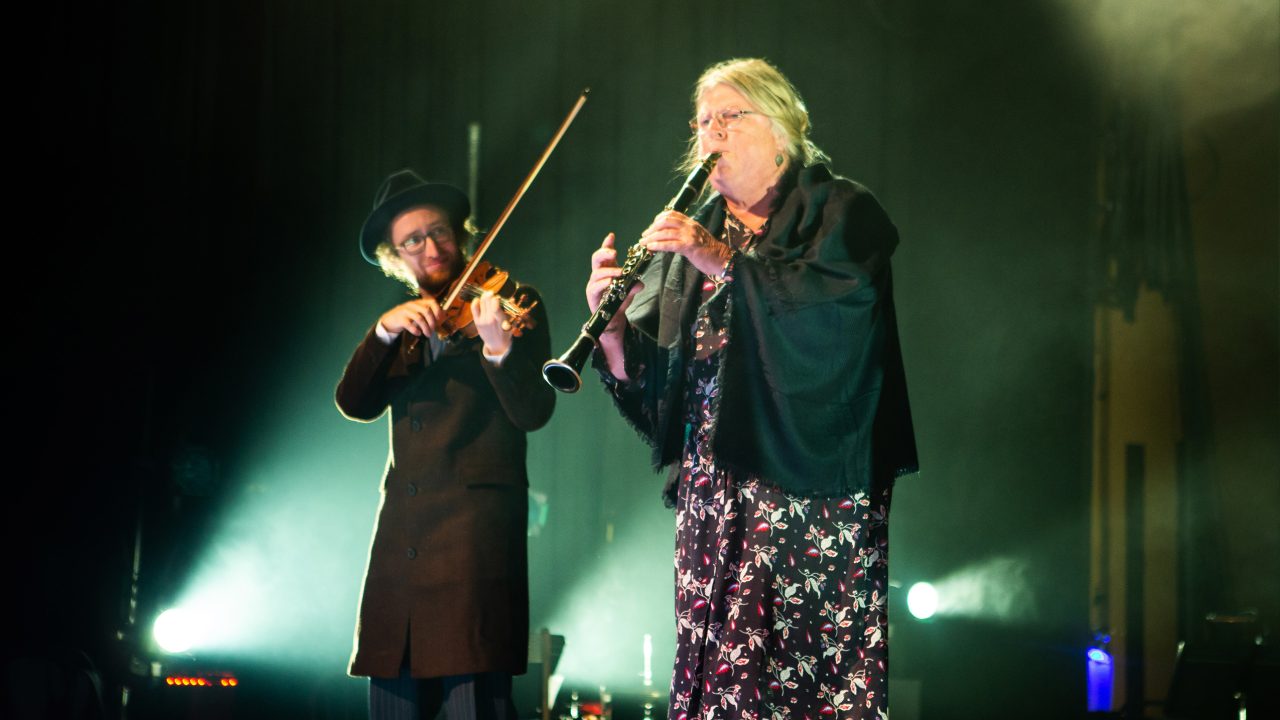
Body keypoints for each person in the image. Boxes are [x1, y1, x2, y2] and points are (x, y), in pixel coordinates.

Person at [585, 58, 918, 720]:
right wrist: (615, 333)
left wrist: (717, 257)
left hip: (812, 500)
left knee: (810, 689)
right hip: (716, 506)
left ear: (782, 128)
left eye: (729, 117)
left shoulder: (842, 212)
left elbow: (831, 331)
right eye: (701, 121)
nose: (711, 133)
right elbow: (663, 402)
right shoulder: (694, 241)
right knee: (724, 692)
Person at [337, 169, 555, 720]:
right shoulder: (406, 327)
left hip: (473, 551)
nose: (432, 248)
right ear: (395, 256)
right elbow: (354, 401)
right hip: (403, 553)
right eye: (414, 240)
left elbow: (535, 411)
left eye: (440, 233)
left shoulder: (515, 301)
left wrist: (499, 351)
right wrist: (383, 332)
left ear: (462, 234)